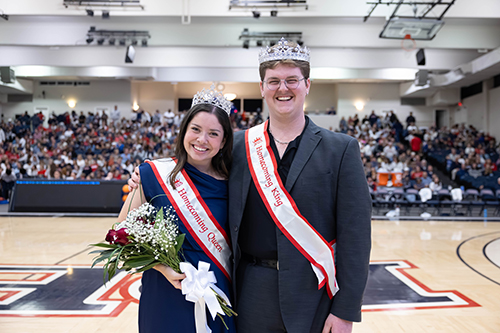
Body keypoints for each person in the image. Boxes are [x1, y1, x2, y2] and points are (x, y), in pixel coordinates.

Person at [130, 38, 371, 333]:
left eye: (292, 80)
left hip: (314, 294)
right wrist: (145, 177)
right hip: (250, 292)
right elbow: (196, 166)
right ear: (262, 88)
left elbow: (355, 237)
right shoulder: (241, 146)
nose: (283, 89)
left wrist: (345, 311)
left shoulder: (342, 149)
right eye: (274, 81)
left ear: (307, 85)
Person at [121, 86, 236, 333]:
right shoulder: (152, 174)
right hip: (165, 293)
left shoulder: (236, 182)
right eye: (195, 129)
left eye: (213, 133)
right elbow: (120, 236)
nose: (202, 140)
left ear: (224, 140)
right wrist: (164, 268)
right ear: (184, 131)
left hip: (217, 292)